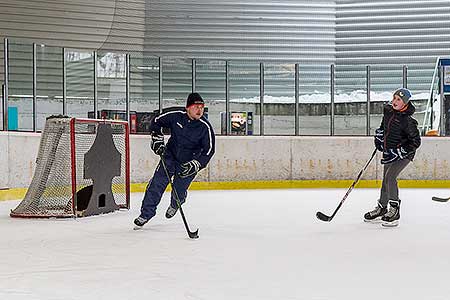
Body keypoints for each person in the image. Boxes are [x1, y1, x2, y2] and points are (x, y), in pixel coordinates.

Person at [134, 92, 215, 228]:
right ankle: (145, 214)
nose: (199, 110)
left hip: (189, 163)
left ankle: (176, 203)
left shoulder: (204, 127)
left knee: (179, 190)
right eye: (196, 107)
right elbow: (156, 121)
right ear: (188, 107)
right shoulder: (176, 116)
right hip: (169, 157)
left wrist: (196, 164)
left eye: (201, 107)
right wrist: (157, 139)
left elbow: (209, 150)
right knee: (156, 185)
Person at [364, 88, 421, 227]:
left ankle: (394, 210)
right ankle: (382, 208)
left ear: (405, 103)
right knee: (385, 180)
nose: (395, 102)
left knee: (390, 177)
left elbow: (415, 142)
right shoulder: (388, 112)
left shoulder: (408, 121)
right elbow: (383, 128)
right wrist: (379, 138)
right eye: (394, 98)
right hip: (390, 151)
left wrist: (401, 151)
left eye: (399, 100)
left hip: (404, 154)